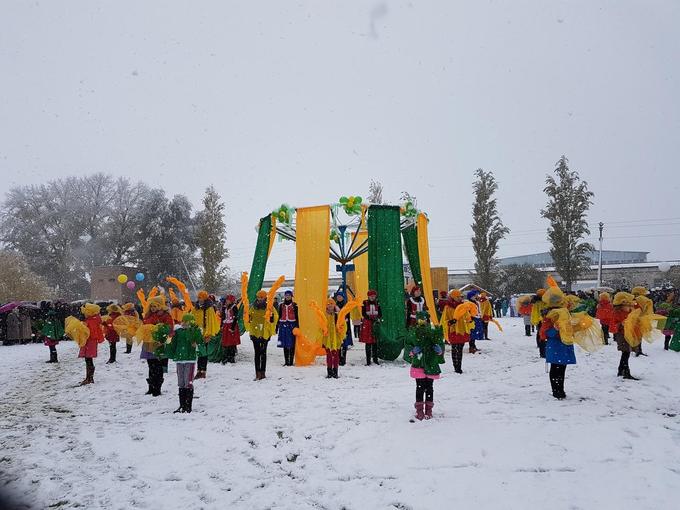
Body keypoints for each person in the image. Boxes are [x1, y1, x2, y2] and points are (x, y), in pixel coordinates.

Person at [404, 311, 445, 420]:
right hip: (419, 363)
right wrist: (412, 351)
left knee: (429, 387)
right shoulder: (413, 332)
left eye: (424, 319)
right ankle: (419, 409)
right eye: (420, 319)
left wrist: (439, 350)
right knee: (420, 387)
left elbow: (440, 342)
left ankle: (429, 409)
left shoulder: (432, 331)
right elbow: (408, 345)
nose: (422, 322)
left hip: (430, 363)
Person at [539, 287, 576, 400]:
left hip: (563, 344)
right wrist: (555, 329)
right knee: (556, 368)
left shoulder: (565, 312)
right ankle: (556, 390)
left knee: (561, 368)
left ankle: (560, 389)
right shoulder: (550, 315)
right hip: (556, 345)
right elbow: (544, 333)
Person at [165, 313, 201, 413]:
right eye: (184, 322)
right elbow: (171, 343)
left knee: (188, 381)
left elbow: (199, 342)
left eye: (187, 322)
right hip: (180, 359)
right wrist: (169, 339)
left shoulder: (195, 331)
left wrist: (196, 344)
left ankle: (188, 406)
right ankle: (182, 405)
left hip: (189, 359)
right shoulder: (178, 332)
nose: (185, 324)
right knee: (181, 381)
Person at [140, 295, 174, 396]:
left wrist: (164, 340)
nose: (153, 308)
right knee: (151, 366)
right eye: (151, 306)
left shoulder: (165, 316)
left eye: (155, 306)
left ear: (160, 306)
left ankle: (157, 388)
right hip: (149, 343)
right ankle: (151, 387)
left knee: (158, 367)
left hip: (159, 344)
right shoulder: (148, 315)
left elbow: (169, 329)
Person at [246, 290, 278, 380]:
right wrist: (248, 318)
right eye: (258, 297)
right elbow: (249, 316)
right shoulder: (253, 306)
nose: (260, 299)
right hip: (255, 332)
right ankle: (257, 373)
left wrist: (271, 318)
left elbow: (275, 316)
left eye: (261, 297)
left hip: (264, 332)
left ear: (265, 297)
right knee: (257, 353)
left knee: (263, 353)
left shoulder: (269, 306)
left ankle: (263, 372)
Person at [440, 290, 474, 374]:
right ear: (453, 297)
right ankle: (456, 367)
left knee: (460, 348)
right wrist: (450, 322)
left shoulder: (463, 306)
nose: (460, 298)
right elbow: (444, 320)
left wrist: (470, 320)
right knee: (455, 349)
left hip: (462, 330)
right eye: (458, 296)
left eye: (460, 297)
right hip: (453, 330)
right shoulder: (448, 307)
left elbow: (467, 317)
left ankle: (459, 366)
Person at [192, 291, 220, 379]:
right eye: (198, 297)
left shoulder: (209, 309)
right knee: (199, 352)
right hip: (198, 333)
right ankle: (198, 371)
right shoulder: (196, 308)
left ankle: (203, 371)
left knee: (204, 353)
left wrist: (208, 334)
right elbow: (193, 319)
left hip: (205, 333)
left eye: (201, 297)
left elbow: (210, 322)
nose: (199, 299)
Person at [611, 292, 637, 380]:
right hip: (621, 335)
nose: (629, 306)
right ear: (621, 305)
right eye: (627, 304)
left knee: (626, 353)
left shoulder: (628, 311)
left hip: (627, 334)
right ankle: (626, 372)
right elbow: (614, 324)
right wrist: (622, 324)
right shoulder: (617, 312)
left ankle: (621, 370)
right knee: (626, 352)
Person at [77, 303, 105, 386]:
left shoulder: (91, 321)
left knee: (88, 359)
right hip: (89, 342)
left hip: (90, 342)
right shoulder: (93, 320)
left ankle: (90, 378)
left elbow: (90, 332)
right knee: (88, 359)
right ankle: (88, 377)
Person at [276, 290, 299, 366]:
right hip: (283, 326)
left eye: (289, 295)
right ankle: (286, 361)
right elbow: (279, 316)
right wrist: (277, 326)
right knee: (285, 344)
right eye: (286, 295)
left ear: (291, 296)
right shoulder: (281, 305)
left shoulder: (295, 305)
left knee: (292, 344)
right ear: (285, 296)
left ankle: (291, 361)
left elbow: (297, 317)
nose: (288, 296)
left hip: (292, 326)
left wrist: (298, 326)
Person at [360, 290, 382, 365]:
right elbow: (363, 313)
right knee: (368, 343)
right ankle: (368, 360)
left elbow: (380, 313)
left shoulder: (377, 303)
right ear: (368, 296)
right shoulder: (365, 303)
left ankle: (375, 359)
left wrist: (378, 318)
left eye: (374, 296)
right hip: (367, 324)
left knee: (375, 343)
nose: (372, 297)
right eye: (371, 296)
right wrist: (369, 317)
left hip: (375, 324)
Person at [322, 298, 342, 378]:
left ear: (334, 305)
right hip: (327, 338)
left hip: (336, 338)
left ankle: (335, 371)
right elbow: (321, 326)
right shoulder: (324, 315)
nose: (330, 306)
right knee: (329, 355)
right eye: (328, 304)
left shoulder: (337, 315)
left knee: (336, 354)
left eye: (331, 304)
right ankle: (329, 371)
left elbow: (342, 325)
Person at [220, 294, 240, 364]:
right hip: (226, 325)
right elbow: (224, 317)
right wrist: (222, 325)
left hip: (231, 326)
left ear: (231, 301)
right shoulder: (225, 307)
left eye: (228, 300)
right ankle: (226, 357)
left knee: (231, 342)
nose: (226, 301)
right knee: (226, 342)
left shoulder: (234, 307)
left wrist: (232, 328)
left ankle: (231, 357)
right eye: (226, 300)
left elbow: (236, 318)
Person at [334, 292, 353, 366]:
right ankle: (338, 358)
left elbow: (347, 316)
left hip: (344, 327)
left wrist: (345, 322)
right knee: (338, 344)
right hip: (337, 327)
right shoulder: (335, 305)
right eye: (338, 297)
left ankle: (343, 359)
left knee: (344, 344)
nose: (339, 298)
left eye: (340, 297)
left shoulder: (345, 305)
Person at [531, 289, 547, 358]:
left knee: (540, 335)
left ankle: (541, 350)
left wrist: (536, 320)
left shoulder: (536, 302)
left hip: (540, 321)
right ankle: (543, 352)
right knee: (543, 336)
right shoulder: (544, 302)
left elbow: (534, 312)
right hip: (544, 321)